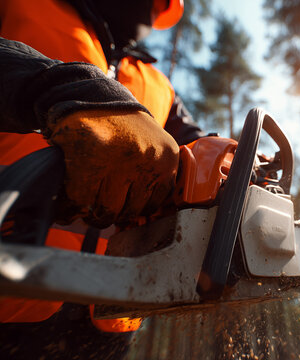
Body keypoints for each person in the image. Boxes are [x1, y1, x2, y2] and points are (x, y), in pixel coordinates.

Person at [0, 0, 204, 358]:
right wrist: (55, 87)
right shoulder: (24, 7)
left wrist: (238, 171)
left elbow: (195, 149)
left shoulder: (159, 85)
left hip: (113, 318)